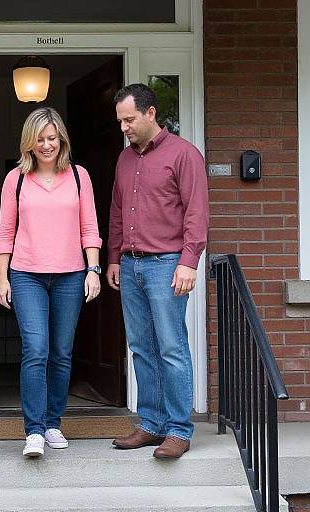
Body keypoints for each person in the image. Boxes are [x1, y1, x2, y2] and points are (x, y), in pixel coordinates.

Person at [107, 84, 209, 459]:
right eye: (120, 121)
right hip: (131, 263)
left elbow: (197, 213)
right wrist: (114, 257)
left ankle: (179, 430)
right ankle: (151, 424)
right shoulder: (124, 160)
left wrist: (188, 261)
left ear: (150, 114)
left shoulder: (184, 155)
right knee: (141, 348)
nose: (124, 127)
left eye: (129, 119)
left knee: (171, 347)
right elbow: (117, 212)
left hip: (167, 264)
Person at [0, 107, 102, 457]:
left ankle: (54, 423)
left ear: (62, 140)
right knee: (36, 350)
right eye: (39, 139)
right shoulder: (17, 179)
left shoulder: (80, 177)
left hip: (71, 274)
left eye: (52, 138)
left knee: (61, 352)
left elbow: (90, 228)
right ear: (29, 142)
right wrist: (1, 277)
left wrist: (93, 269)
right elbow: (5, 231)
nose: (46, 145)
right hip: (26, 275)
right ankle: (34, 431)